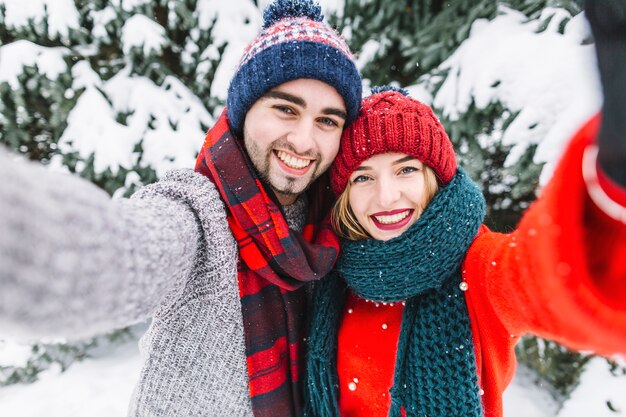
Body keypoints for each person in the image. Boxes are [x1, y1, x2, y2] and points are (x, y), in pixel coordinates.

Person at [0, 0, 361, 416]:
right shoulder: (195, 214)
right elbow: (113, 254)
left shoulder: (332, 231)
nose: (303, 141)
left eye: (327, 121)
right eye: (285, 109)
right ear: (243, 113)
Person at [304, 2, 626, 416]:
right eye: (363, 177)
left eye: (405, 170)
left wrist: (612, 191)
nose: (386, 197)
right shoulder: (333, 268)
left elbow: (547, 281)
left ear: (433, 178)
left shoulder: (476, 269)